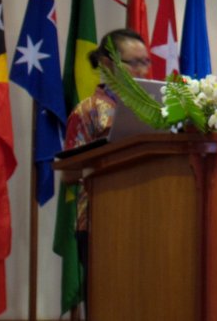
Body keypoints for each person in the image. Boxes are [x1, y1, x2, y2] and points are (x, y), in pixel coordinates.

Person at [63, 28, 150, 301]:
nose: (142, 70)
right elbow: (68, 173)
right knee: (106, 299)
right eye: (134, 62)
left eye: (145, 62)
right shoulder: (87, 111)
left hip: (149, 218)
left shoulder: (155, 111)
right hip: (100, 222)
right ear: (108, 64)